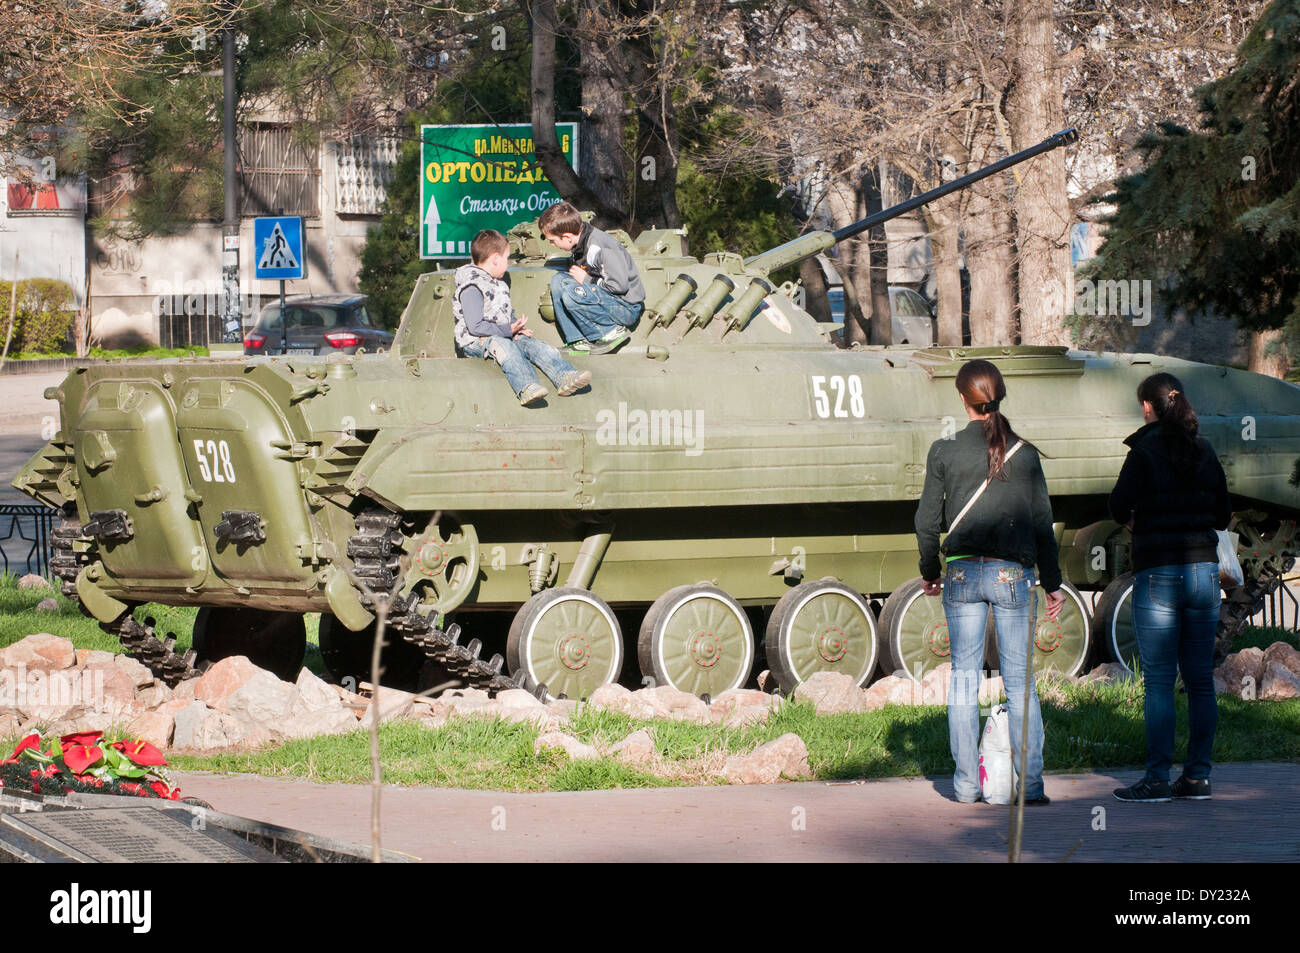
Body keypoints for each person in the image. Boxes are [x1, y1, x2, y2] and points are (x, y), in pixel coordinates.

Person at [915, 359, 1065, 805]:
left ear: (963, 399)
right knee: (1019, 682)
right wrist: (1053, 582)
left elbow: (926, 523)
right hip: (1012, 575)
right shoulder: (1026, 453)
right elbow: (1042, 525)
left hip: (960, 573)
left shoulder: (943, 451)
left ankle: (965, 786)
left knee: (963, 679)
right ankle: (1030, 787)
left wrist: (929, 572)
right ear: (998, 398)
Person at [1108, 373, 1231, 803]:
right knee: (1200, 680)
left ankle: (1157, 779)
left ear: (1147, 406)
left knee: (1159, 681)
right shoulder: (1205, 449)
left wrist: (1139, 521)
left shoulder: (1143, 452)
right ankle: (1197, 778)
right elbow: (1223, 514)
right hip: (1202, 573)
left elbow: (1117, 504)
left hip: (1158, 573)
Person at [454, 229, 592, 406]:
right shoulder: (471, 286)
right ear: (496, 259)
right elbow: (475, 327)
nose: (507, 263)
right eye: (506, 258)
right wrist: (507, 331)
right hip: (475, 341)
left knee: (531, 343)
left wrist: (516, 328)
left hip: (500, 335)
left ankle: (564, 376)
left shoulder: (498, 283)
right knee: (504, 347)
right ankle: (526, 387)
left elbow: (502, 312)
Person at [538, 201, 645, 354]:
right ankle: (577, 340)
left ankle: (610, 332)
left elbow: (619, 286)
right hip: (606, 300)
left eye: (553, 241)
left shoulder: (601, 246)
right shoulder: (581, 242)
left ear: (567, 237)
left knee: (571, 294)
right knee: (558, 281)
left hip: (625, 307)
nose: (552, 244)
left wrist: (586, 280)